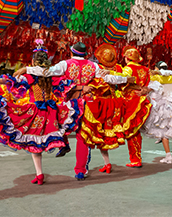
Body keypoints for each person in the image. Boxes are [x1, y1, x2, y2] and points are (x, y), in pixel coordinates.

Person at [15, 41, 130, 180]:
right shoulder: (93, 65)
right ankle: (80, 170)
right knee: (83, 136)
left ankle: (62, 146)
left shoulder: (65, 64)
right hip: (87, 103)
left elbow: (46, 72)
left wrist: (27, 69)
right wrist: (127, 78)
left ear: (71, 52)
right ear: (85, 54)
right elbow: (109, 78)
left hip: (70, 104)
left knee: (57, 124)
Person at [0, 40, 85, 185]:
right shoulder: (52, 74)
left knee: (34, 142)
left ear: (33, 60)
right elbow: (68, 85)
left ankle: (40, 174)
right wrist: (83, 88)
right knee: (56, 130)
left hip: (36, 111)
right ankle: (61, 147)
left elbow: (9, 82)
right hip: (51, 111)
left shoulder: (29, 75)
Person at [80, 43, 136, 174]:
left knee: (88, 133)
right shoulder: (117, 69)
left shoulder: (97, 70)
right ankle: (107, 163)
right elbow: (122, 79)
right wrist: (125, 78)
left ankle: (84, 167)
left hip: (97, 105)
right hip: (111, 104)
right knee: (103, 135)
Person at [109, 45, 152, 168]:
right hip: (142, 99)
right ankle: (136, 157)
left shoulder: (128, 68)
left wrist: (110, 72)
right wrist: (144, 89)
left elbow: (121, 79)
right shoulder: (145, 69)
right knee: (135, 130)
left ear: (127, 58)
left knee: (131, 130)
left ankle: (135, 159)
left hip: (130, 100)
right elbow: (152, 83)